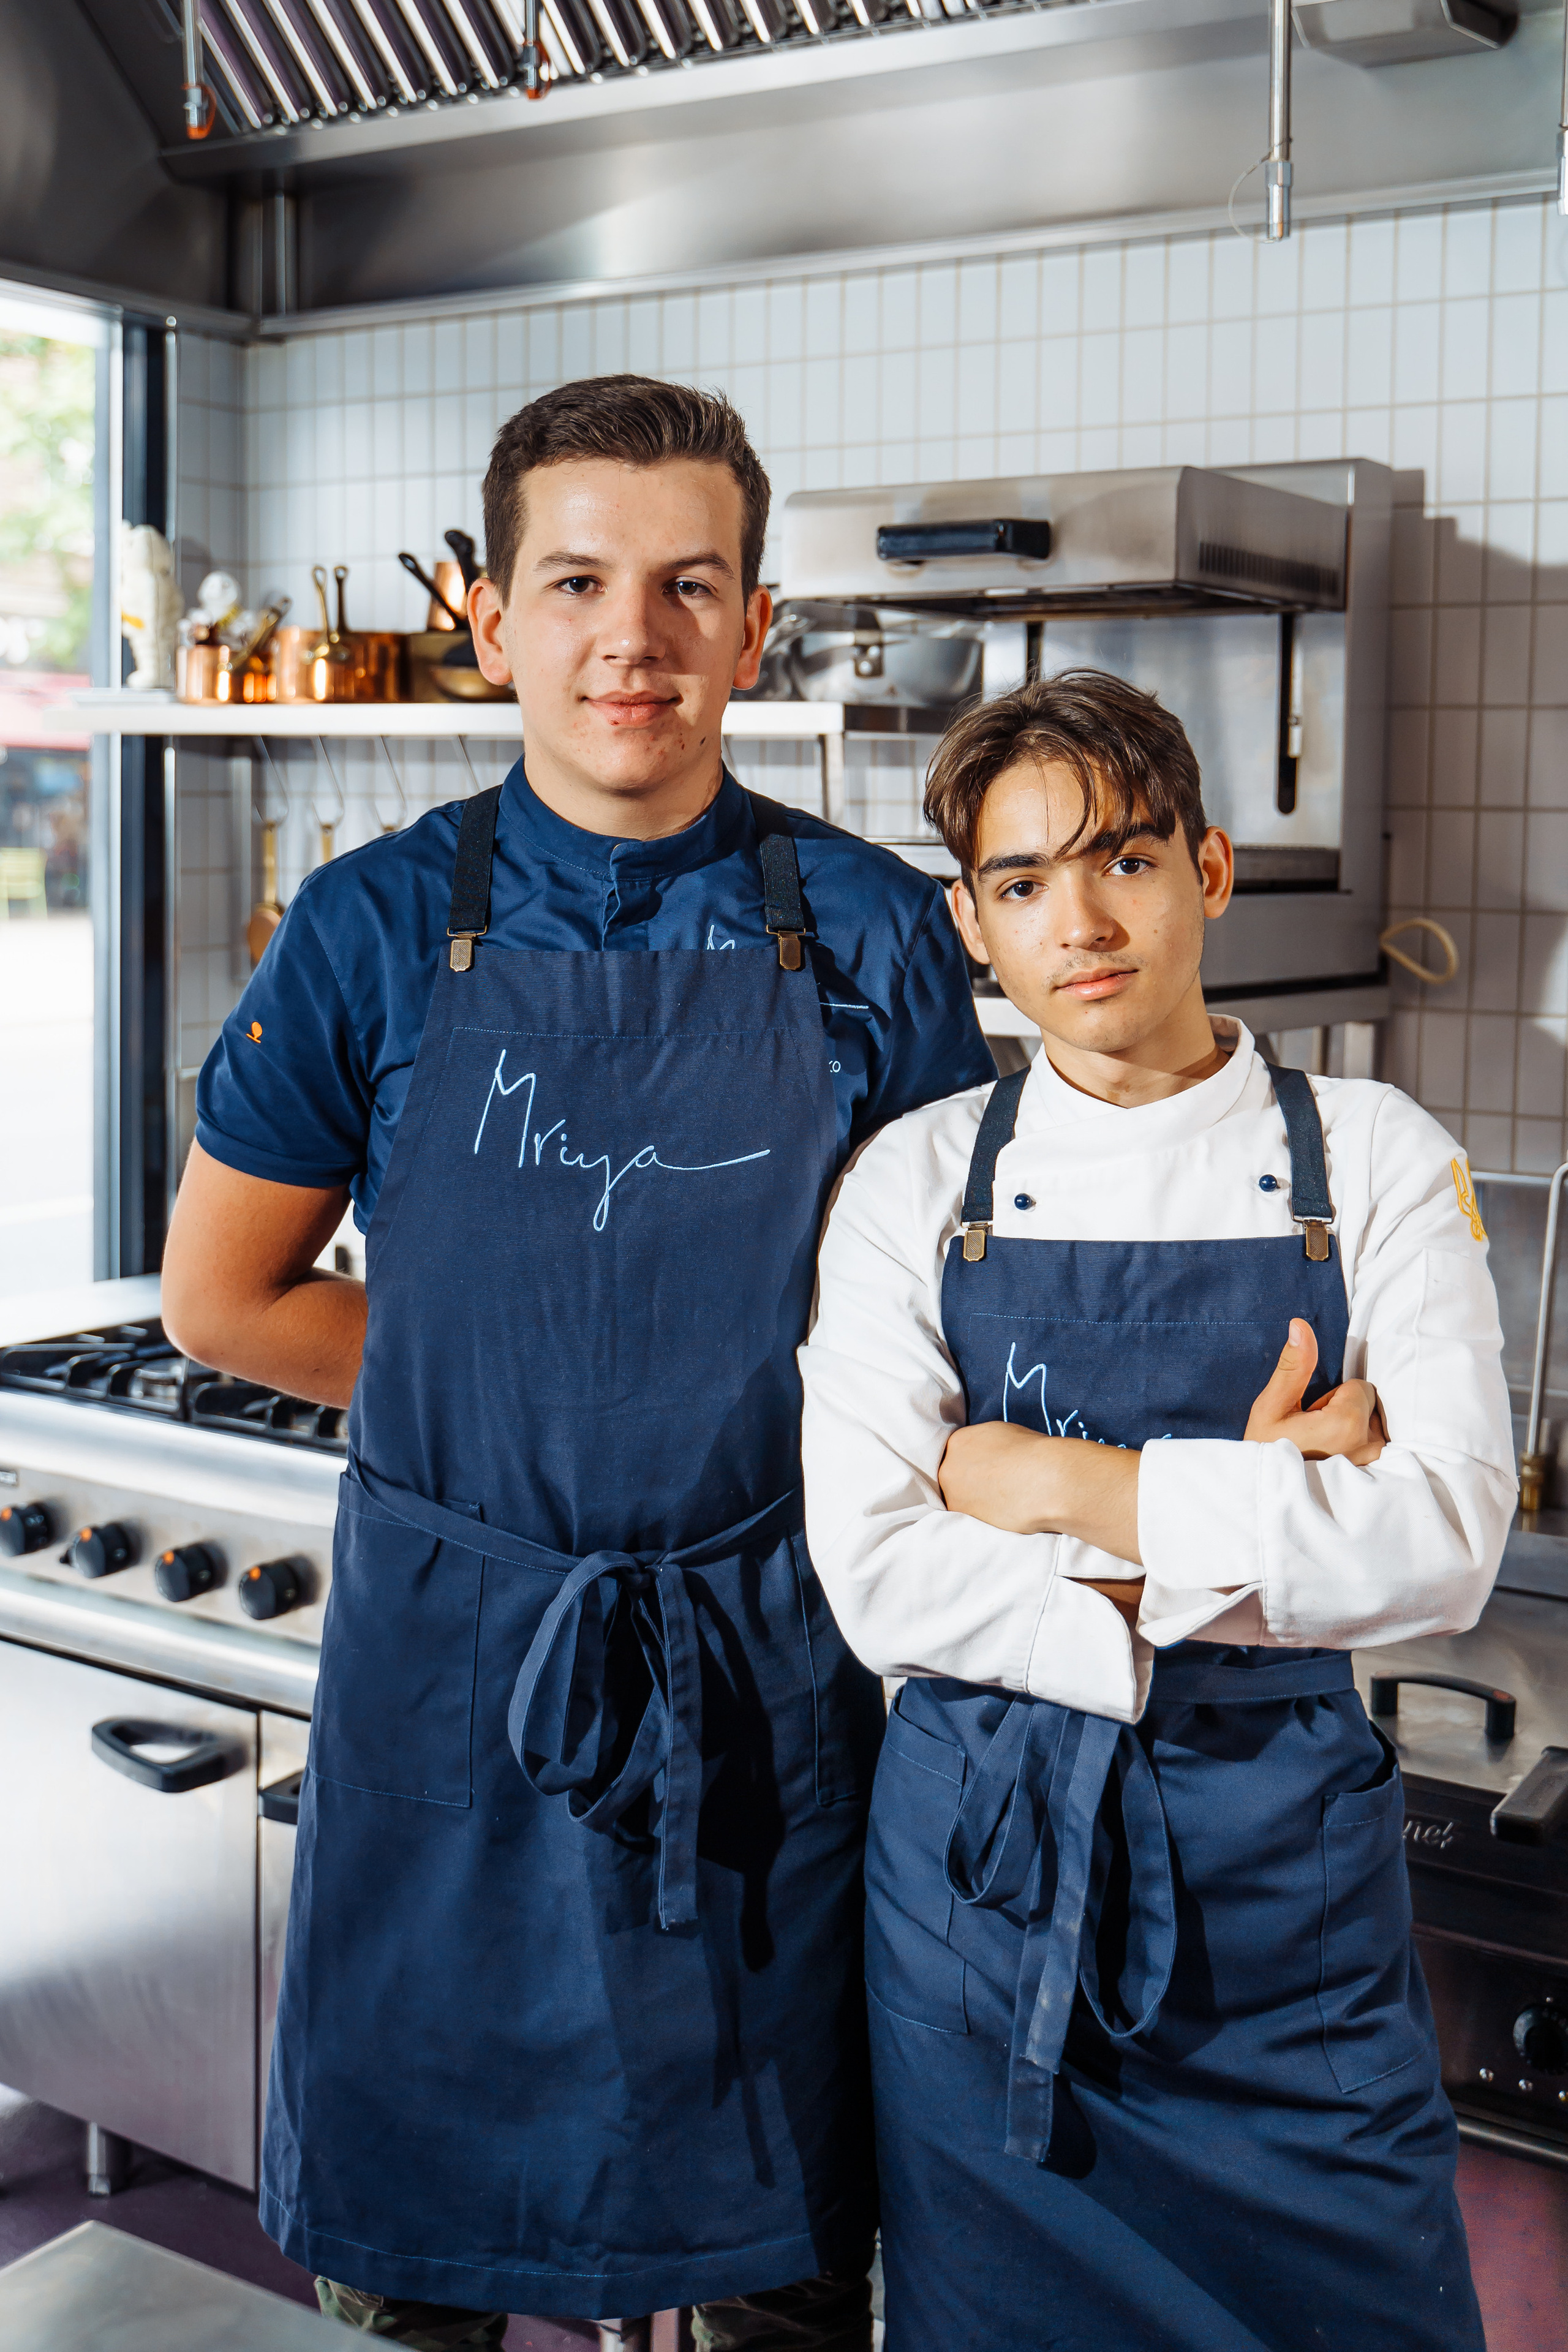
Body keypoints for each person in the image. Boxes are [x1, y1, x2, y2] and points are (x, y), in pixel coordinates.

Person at [160, 375, 995, 2351]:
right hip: (456, 1690)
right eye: (580, 581)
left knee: (786, 2269)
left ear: (756, 624)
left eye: (691, 584)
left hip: (770, 1681)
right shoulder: (370, 927)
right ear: (494, 618)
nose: (636, 637)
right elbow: (224, 1299)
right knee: (416, 2273)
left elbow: (941, 1332)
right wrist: (498, 1386)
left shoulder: (873, 936)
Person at [797, 669, 1515, 2352]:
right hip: (983, 1879)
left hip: (1287, 1886)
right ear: (973, 926)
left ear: (1211, 865)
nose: (1081, 920)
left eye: (1123, 859)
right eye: (1024, 884)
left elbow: (1445, 1543)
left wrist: (1064, 1486)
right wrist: (1263, 1515)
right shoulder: (915, 1183)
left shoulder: (1374, 1156)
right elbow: (878, 1575)